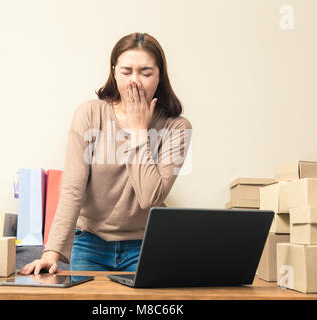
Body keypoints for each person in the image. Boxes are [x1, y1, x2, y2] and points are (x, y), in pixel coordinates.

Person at [19, 32, 192, 275]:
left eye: (146, 73)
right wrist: (51, 252)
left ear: (160, 76)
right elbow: (72, 189)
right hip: (90, 244)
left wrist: (139, 132)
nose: (135, 81)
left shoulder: (177, 127)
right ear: (113, 72)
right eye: (126, 71)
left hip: (146, 245)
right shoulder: (90, 114)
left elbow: (150, 198)